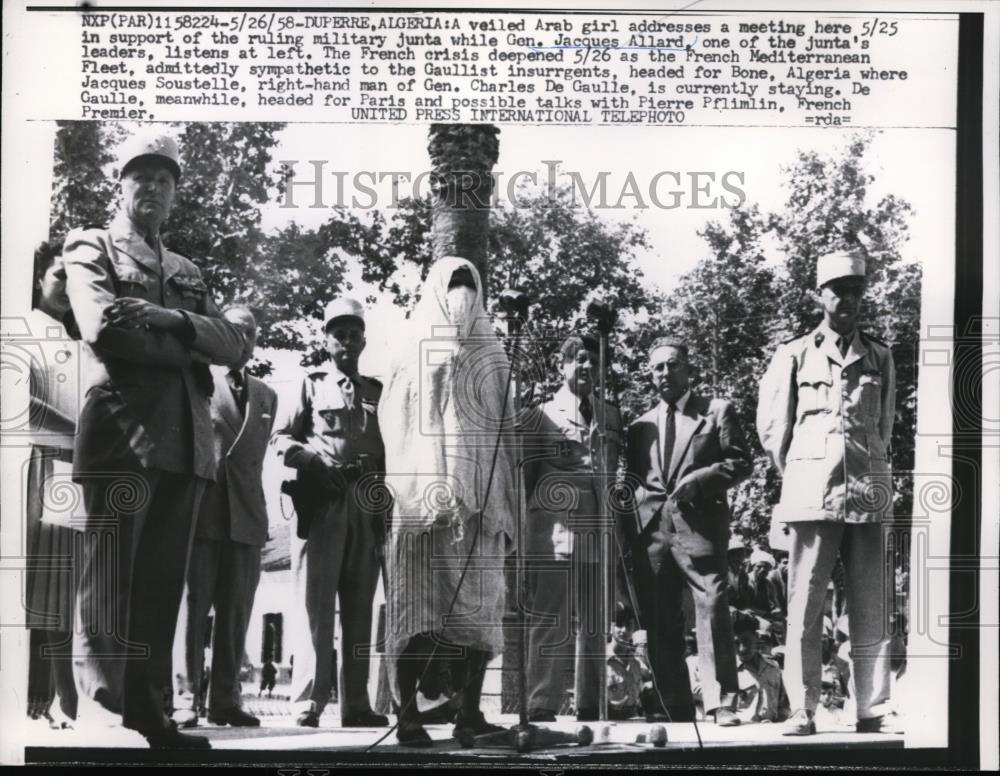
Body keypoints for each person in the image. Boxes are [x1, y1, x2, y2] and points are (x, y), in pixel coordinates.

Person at [62, 131, 246, 749]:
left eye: (165, 178)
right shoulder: (91, 245)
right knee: (108, 582)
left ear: (175, 192)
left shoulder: (186, 271)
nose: (155, 187)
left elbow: (234, 345)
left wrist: (172, 321)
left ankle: (148, 714)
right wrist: (193, 343)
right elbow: (102, 327)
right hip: (121, 435)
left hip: (188, 445)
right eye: (142, 176)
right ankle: (102, 712)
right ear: (121, 185)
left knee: (161, 589)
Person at [757, 249, 897, 736]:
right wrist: (804, 471)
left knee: (871, 605)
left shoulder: (879, 354)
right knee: (805, 604)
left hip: (867, 490)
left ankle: (871, 708)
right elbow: (775, 432)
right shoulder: (793, 353)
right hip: (812, 491)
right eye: (838, 290)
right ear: (820, 295)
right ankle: (803, 709)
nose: (848, 299)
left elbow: (884, 425)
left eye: (856, 290)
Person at [379, 257, 516, 747]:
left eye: (469, 283)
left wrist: (501, 502)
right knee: (417, 613)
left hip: (480, 507)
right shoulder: (411, 347)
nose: (461, 292)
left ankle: (470, 713)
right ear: (436, 287)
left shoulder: (495, 354)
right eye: (453, 282)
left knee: (479, 616)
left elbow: (507, 434)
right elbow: (393, 419)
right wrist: (419, 484)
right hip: (423, 508)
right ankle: (407, 716)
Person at [271, 296, 389, 729]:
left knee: (360, 606)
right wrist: (314, 464)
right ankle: (309, 702)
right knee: (314, 606)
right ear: (326, 340)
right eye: (338, 332)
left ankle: (356, 704)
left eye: (354, 332)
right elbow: (280, 439)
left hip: (366, 503)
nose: (347, 340)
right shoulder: (310, 384)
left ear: (363, 339)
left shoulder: (378, 391)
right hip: (323, 501)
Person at [623, 338, 753, 727]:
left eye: (673, 365)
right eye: (657, 368)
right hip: (652, 533)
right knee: (660, 617)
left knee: (712, 607)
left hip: (700, 526)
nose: (665, 373)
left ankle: (721, 702)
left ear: (689, 369)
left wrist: (702, 479)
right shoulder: (639, 426)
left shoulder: (716, 412)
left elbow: (741, 462)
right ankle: (673, 703)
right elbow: (633, 481)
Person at [173, 308, 277, 729]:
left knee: (236, 614)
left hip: (248, 516)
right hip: (202, 510)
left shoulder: (267, 394)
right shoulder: (196, 378)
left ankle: (226, 700)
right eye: (235, 329)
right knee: (192, 610)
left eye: (250, 332)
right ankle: (184, 698)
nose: (244, 337)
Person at [520, 334, 622, 722]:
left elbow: (611, 475)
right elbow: (525, 479)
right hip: (553, 529)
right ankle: (542, 703)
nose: (586, 367)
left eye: (593, 361)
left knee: (596, 619)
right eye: (578, 359)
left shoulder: (609, 414)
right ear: (560, 366)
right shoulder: (540, 414)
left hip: (598, 525)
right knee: (550, 617)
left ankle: (591, 704)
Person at [24, 243, 80, 731]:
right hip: (32, 464)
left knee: (61, 590)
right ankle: (28, 700)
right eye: (59, 274)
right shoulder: (22, 329)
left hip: (73, 471)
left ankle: (57, 701)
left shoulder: (79, 340)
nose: (67, 285)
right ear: (39, 277)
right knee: (29, 585)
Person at [734, 617, 790, 723]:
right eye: (736, 643)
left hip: (770, 731)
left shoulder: (773, 668)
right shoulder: (730, 672)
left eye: (746, 641)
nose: (741, 648)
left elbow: (783, 706)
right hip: (742, 732)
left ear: (756, 637)